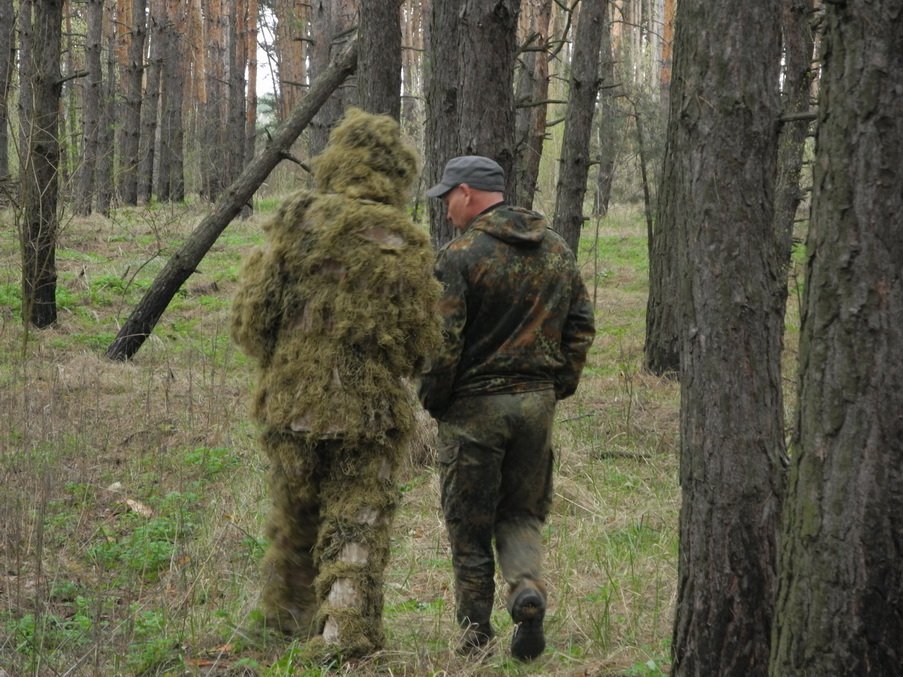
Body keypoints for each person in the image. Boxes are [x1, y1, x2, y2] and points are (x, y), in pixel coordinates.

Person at [230, 108, 442, 659]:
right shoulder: (407, 242)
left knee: (294, 518)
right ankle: (342, 635)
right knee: (358, 520)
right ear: (397, 172)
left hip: (290, 406)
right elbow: (419, 345)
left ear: (338, 161)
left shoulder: (297, 221)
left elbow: (252, 320)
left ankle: (284, 623)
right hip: (368, 411)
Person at [419, 155, 596, 661]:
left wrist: (436, 399)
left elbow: (443, 342)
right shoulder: (557, 249)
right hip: (536, 407)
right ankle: (525, 590)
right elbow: (581, 324)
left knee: (468, 525)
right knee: (521, 512)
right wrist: (557, 385)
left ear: (469, 193)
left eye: (448, 196)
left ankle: (474, 638)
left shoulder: (459, 256)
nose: (446, 207)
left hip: (475, 409)